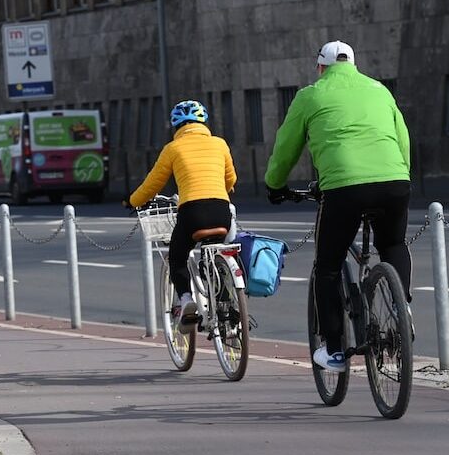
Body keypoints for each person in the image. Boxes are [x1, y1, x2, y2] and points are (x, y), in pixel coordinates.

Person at [264, 40, 411, 372]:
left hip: (344, 188)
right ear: (354, 65)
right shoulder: (380, 90)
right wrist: (401, 176)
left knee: (328, 266)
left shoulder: (310, 96)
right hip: (394, 181)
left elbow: (286, 147)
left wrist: (275, 185)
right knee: (393, 244)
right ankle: (401, 308)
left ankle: (333, 351)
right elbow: (402, 139)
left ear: (321, 68)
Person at [126, 100, 238, 331]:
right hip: (221, 211)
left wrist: (132, 201)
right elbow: (231, 179)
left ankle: (186, 299)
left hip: (192, 212)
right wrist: (223, 190)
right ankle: (226, 299)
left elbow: (152, 184)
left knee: (177, 257)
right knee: (218, 251)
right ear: (204, 122)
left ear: (176, 125)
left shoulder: (173, 149)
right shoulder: (220, 144)